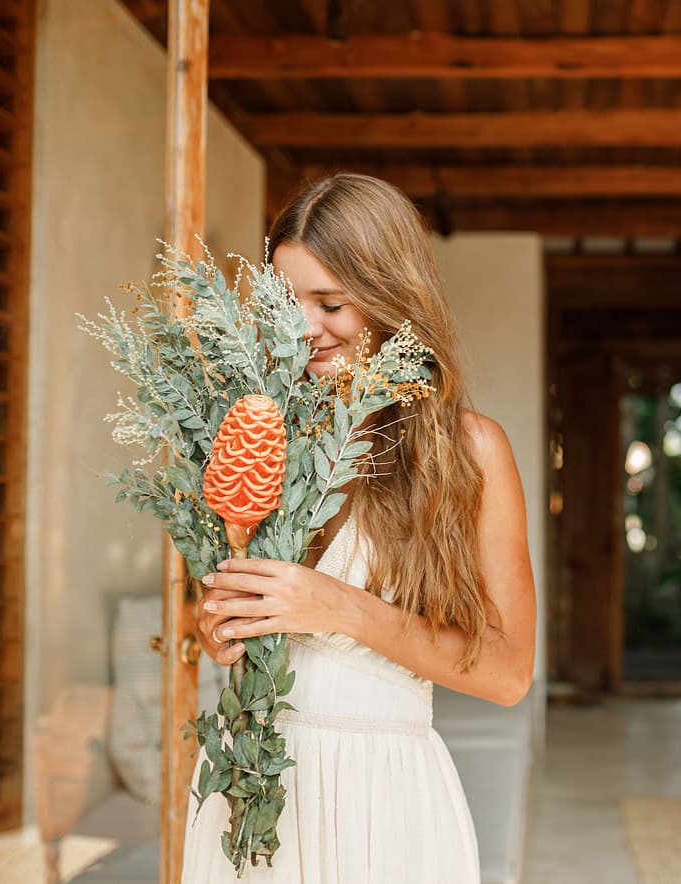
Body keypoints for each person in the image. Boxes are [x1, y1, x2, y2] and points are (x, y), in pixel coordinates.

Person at [183, 173, 536, 883]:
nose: (304, 328)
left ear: (392, 299)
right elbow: (232, 602)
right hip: (248, 791)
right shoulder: (260, 434)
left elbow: (508, 672)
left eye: (331, 303)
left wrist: (338, 607)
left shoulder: (470, 452)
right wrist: (217, 626)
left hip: (383, 797)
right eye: (287, 303)